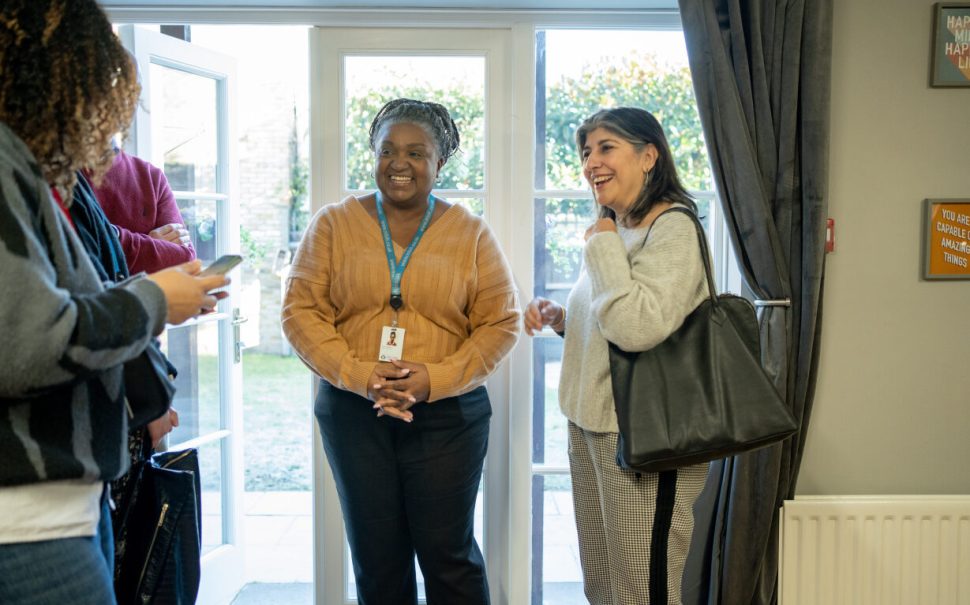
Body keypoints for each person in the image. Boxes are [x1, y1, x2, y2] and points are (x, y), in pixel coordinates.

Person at [0, 2, 228, 603]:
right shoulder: (5, 168)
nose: (102, 117)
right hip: (26, 525)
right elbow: (27, 340)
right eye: (97, 89)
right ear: (58, 78)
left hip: (60, 506)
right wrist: (154, 297)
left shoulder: (34, 172)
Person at [282, 98, 520, 605]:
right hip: (354, 411)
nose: (399, 163)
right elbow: (300, 313)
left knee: (448, 557)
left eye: (416, 152)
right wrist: (360, 373)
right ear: (373, 154)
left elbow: (501, 322)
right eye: (387, 149)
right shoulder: (332, 225)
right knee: (377, 560)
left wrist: (435, 378)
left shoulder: (471, 232)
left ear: (439, 162)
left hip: (448, 414)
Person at [524, 107, 709, 605]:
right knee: (603, 578)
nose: (591, 162)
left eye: (607, 148)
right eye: (586, 152)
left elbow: (637, 327)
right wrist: (565, 318)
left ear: (649, 155)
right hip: (592, 425)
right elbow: (613, 317)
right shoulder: (618, 227)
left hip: (644, 436)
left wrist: (601, 246)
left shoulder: (672, 228)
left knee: (640, 587)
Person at [92, 145, 196, 275]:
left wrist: (115, 239)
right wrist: (154, 245)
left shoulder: (151, 176)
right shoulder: (66, 179)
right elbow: (84, 251)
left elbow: (186, 260)